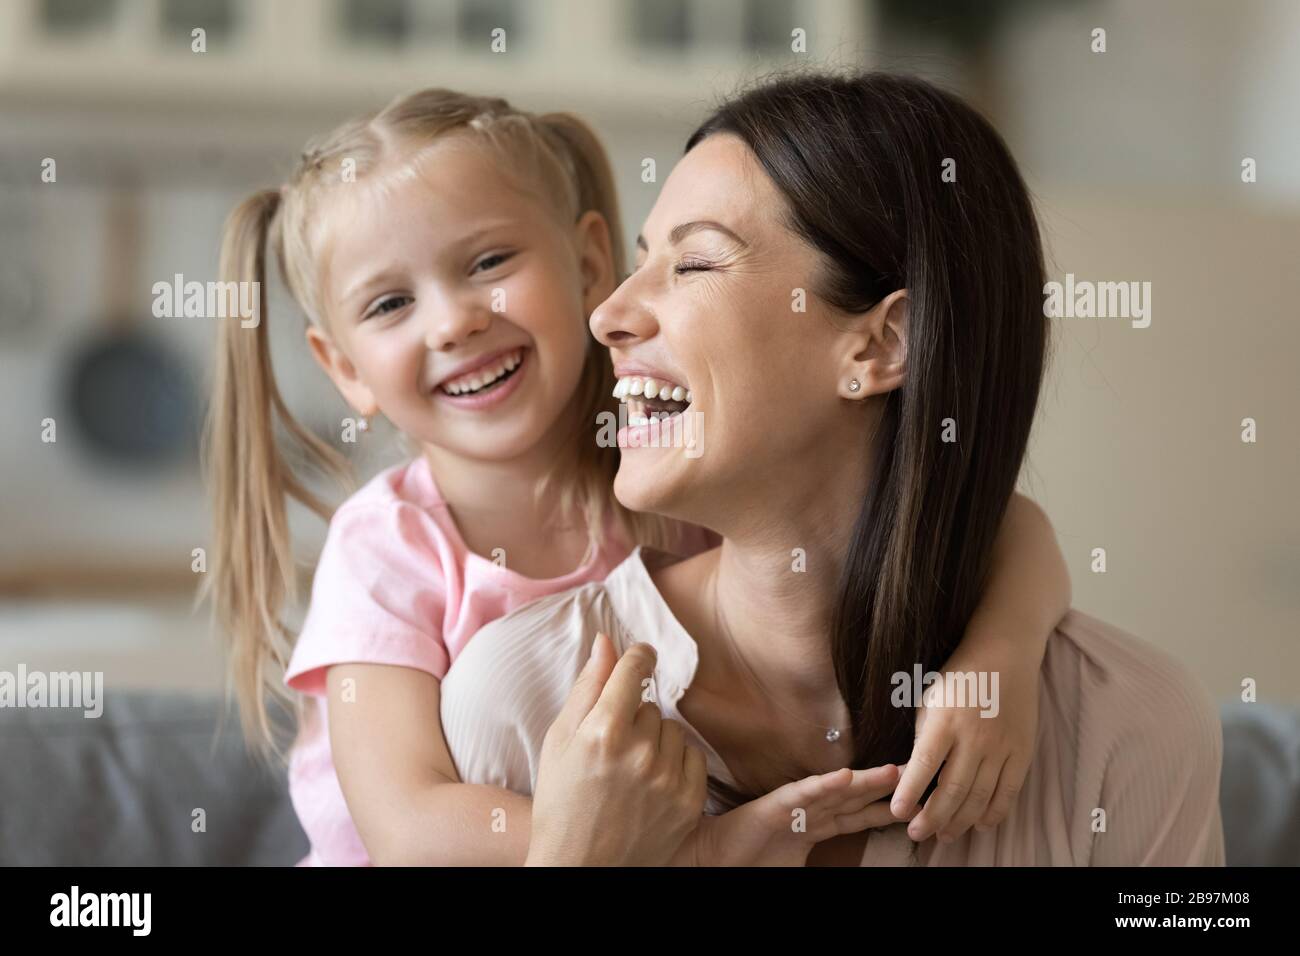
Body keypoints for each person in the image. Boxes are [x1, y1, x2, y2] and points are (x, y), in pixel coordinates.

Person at [202, 84, 1072, 866]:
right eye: (390, 305)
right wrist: (688, 849)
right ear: (345, 368)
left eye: (488, 264)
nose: (454, 321)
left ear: (586, 265)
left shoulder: (672, 472)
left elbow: (1008, 527)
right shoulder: (386, 548)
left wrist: (993, 665)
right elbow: (409, 828)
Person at [440, 72, 1225, 866]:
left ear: (885, 343)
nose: (607, 314)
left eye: (696, 265)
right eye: (643, 260)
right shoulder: (524, 698)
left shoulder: (1129, 729)